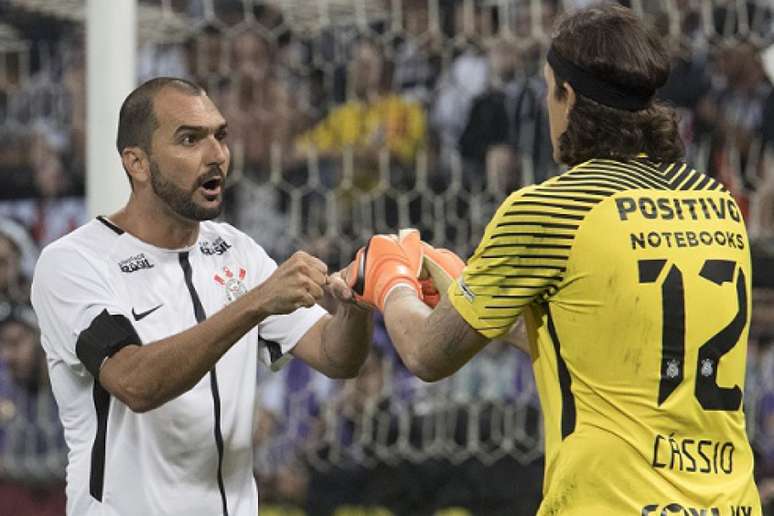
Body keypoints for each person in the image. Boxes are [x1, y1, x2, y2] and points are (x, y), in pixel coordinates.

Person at [346, 5, 762, 514]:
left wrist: (389, 276)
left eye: (548, 89)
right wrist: (479, 299)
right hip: (731, 504)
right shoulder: (717, 204)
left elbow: (426, 355)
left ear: (567, 95)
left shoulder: (554, 209)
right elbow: (601, 346)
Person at [29, 77, 372, 516]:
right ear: (137, 163)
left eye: (220, 136)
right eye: (190, 139)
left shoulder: (236, 250)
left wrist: (356, 303)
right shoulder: (75, 263)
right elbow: (135, 382)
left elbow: (336, 356)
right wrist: (254, 303)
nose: (216, 156)